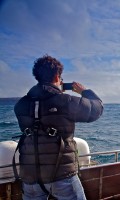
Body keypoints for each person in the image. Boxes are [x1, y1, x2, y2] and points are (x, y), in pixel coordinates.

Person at [14, 55, 103, 200]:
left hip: (30, 176)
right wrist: (84, 92)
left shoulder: (20, 105)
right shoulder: (65, 101)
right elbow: (96, 109)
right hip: (62, 175)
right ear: (57, 76)